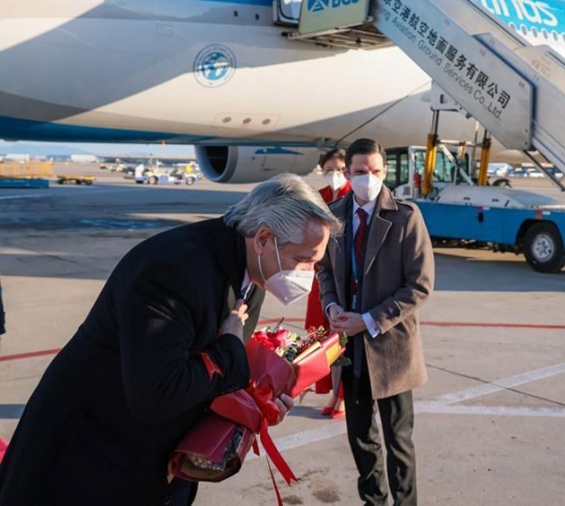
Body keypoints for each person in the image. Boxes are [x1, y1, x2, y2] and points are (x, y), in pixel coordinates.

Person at [0, 173, 343, 505]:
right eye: (303, 260)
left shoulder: (249, 265)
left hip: (152, 463)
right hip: (87, 463)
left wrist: (258, 401)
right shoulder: (174, 270)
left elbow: (213, 371)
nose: (307, 274)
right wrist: (230, 352)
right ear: (264, 238)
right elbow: (158, 394)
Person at [318, 138, 434, 506]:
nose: (368, 178)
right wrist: (331, 306)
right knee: (361, 440)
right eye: (360, 172)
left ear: (385, 172)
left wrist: (368, 320)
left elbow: (419, 286)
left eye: (376, 172)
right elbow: (323, 271)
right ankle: (374, 502)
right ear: (346, 173)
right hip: (350, 347)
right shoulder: (334, 215)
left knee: (398, 441)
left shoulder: (405, 216)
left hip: (391, 347)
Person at [307, 148, 352, 418]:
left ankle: (342, 394)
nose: (334, 174)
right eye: (329, 169)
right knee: (320, 335)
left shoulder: (351, 196)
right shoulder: (319, 197)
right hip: (320, 274)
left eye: (339, 169)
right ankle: (331, 388)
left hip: (344, 274)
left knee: (342, 337)